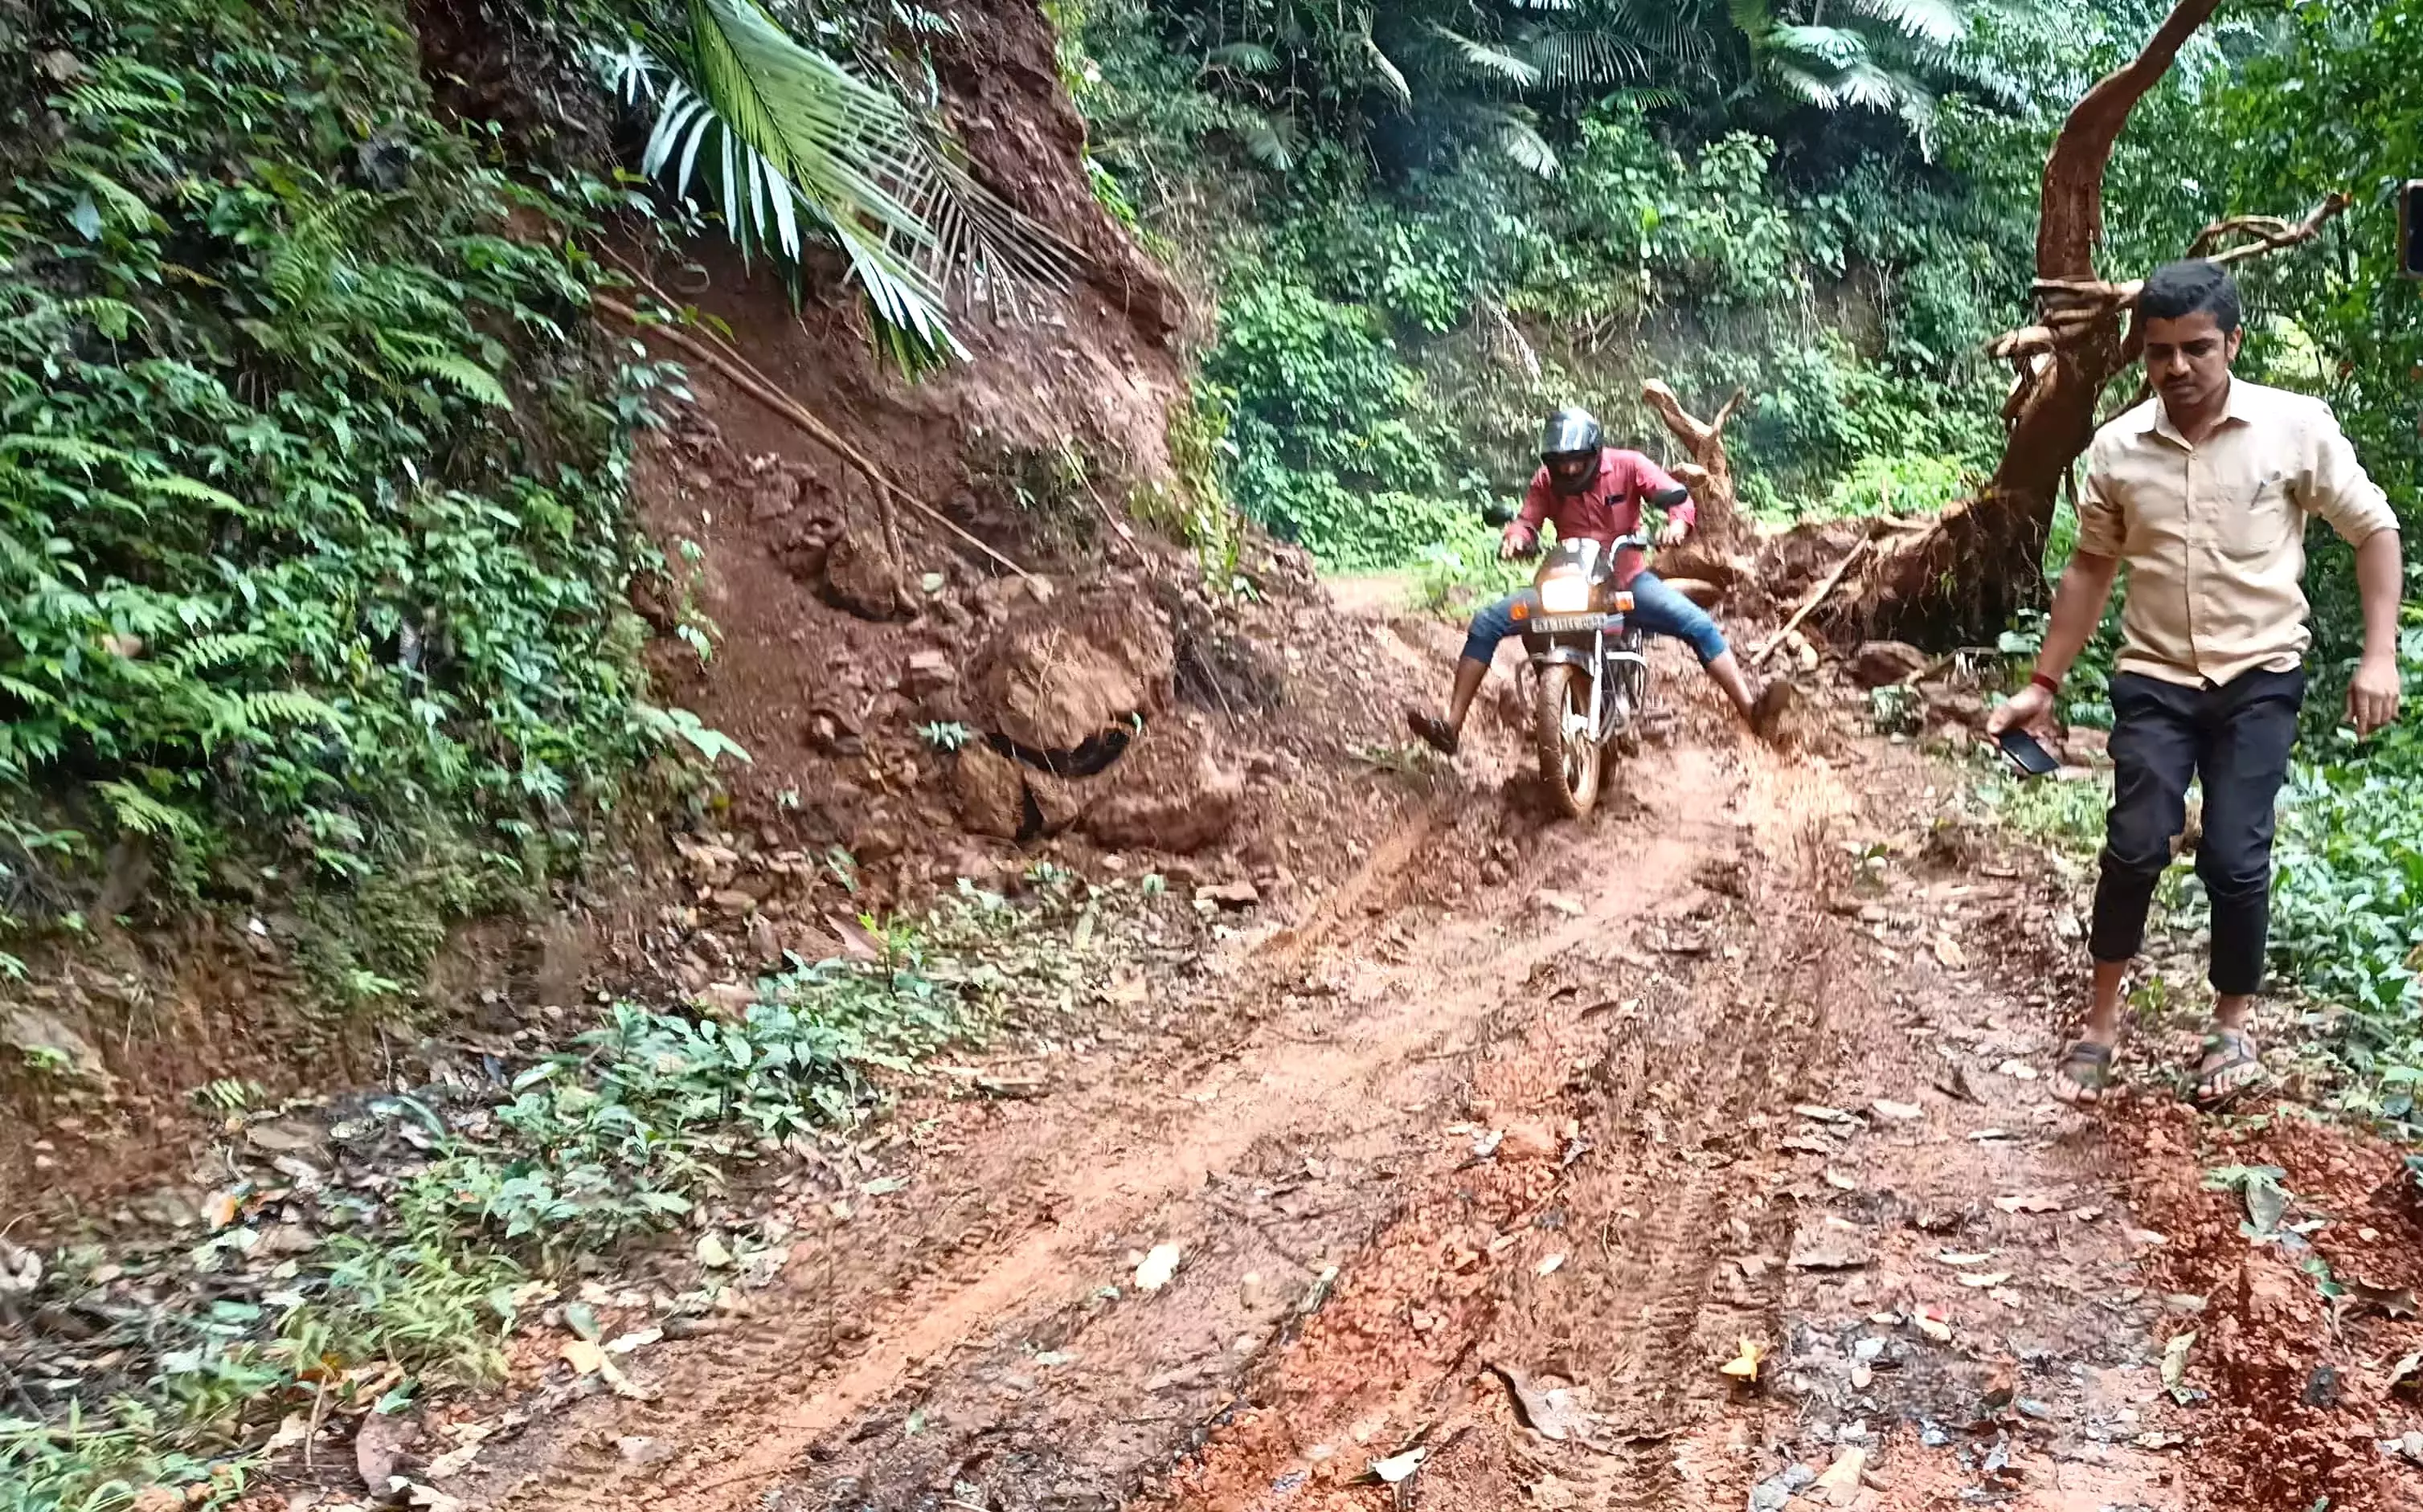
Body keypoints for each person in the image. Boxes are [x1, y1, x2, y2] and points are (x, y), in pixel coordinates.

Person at [1987, 259, 2405, 1109]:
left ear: (2233, 343)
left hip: (2261, 675)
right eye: (2160, 353)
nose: (2177, 368)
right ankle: (2100, 1022)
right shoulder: (2118, 449)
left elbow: (2375, 528)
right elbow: (2091, 565)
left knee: (2235, 853)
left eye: (2197, 350)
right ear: (2144, 353)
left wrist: (2379, 655)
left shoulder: (2294, 429)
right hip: (2157, 677)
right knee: (2137, 839)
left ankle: (2229, 1027)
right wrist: (2044, 682)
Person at [1406, 407, 1779, 754]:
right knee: (1487, 622)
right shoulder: (1545, 481)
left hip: (1625, 582)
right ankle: (1451, 727)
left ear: (1594, 452)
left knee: (1697, 624)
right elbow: (1527, 520)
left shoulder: (1629, 466)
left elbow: (1677, 499)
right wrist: (1517, 537)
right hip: (1568, 584)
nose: (1568, 470)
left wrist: (1677, 523)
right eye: (1561, 463)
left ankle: (1749, 710)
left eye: (1576, 461)